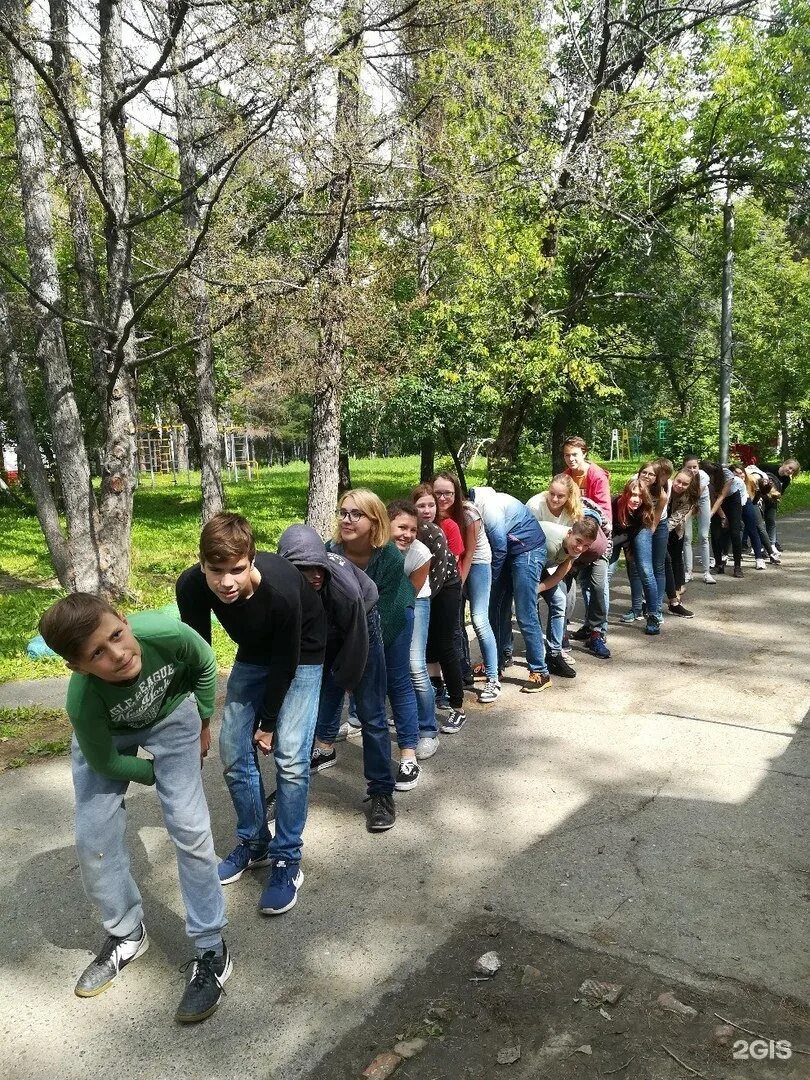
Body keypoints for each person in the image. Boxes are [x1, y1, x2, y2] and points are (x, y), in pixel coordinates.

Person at [38, 594, 229, 1023]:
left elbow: (202, 663)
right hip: (108, 737)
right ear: (78, 666)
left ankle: (211, 946)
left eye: (117, 635)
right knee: (94, 836)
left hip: (172, 713)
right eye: (97, 654)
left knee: (189, 826)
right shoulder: (83, 700)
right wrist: (155, 775)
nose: (119, 654)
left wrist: (201, 720)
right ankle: (126, 933)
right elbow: (105, 761)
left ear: (124, 620)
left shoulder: (164, 632)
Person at [176, 512, 326, 914]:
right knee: (231, 750)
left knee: (291, 757)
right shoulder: (192, 585)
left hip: (301, 654)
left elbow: (286, 660)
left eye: (237, 570)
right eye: (216, 570)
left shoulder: (279, 590)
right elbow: (199, 654)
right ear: (202, 564)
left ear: (252, 561)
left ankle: (287, 858)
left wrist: (269, 723)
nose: (226, 582)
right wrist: (202, 721)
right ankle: (254, 842)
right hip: (252, 654)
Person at [311, 488, 412, 831]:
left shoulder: (389, 559)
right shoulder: (328, 552)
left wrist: (358, 661)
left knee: (372, 716)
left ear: (375, 521)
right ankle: (296, 780)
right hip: (334, 638)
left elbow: (385, 613)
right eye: (343, 512)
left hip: (377, 634)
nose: (347, 519)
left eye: (356, 514)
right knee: (317, 708)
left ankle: (382, 792)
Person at [467, 485, 550, 692]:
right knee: (494, 607)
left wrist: (491, 580)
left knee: (524, 612)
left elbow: (500, 547)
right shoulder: (477, 507)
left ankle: (540, 672)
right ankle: (498, 662)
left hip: (528, 550)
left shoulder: (489, 509)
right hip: (508, 551)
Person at [432, 471, 500, 704]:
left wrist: (457, 584)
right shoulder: (431, 513)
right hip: (450, 564)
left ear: (456, 492)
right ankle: (460, 675)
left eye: (447, 493)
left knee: (479, 619)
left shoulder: (469, 514)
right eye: (438, 492)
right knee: (454, 625)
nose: (442, 498)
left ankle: (493, 678)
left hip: (477, 561)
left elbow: (469, 554)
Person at [411, 483, 468, 731]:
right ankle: (434, 691)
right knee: (429, 645)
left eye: (431, 505)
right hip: (427, 590)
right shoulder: (412, 528)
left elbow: (441, 574)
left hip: (445, 588)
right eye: (421, 505)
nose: (427, 510)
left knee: (445, 646)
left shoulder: (437, 530)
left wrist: (417, 602)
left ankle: (458, 707)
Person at [387, 500, 439, 762]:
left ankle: (428, 729)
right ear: (386, 525)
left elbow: (410, 595)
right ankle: (356, 717)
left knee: (415, 665)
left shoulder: (420, 554)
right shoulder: (374, 547)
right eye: (401, 528)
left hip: (414, 601)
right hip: (383, 601)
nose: (407, 535)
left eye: (413, 530)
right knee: (371, 657)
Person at [563, 437, 613, 658]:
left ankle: (597, 632)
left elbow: (604, 511)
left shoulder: (596, 475)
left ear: (584, 453)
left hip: (596, 539)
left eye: (575, 454)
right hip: (574, 540)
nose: (571, 459)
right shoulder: (565, 476)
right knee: (568, 585)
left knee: (598, 585)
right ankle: (561, 631)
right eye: (567, 455)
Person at [608, 479, 660, 635]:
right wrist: (612, 543)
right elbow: (611, 528)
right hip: (617, 533)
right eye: (632, 495)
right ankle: (596, 619)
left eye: (640, 496)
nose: (636, 499)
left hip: (638, 531)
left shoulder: (645, 509)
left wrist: (623, 545)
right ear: (625, 494)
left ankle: (653, 615)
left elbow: (632, 533)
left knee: (645, 569)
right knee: (607, 570)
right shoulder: (615, 503)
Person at [664, 469, 700, 617]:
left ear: (689, 486)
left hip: (674, 528)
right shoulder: (664, 486)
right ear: (674, 477)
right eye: (678, 481)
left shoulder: (688, 498)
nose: (679, 485)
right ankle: (671, 597)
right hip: (656, 527)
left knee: (676, 559)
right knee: (664, 561)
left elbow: (675, 518)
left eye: (685, 484)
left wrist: (658, 532)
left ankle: (677, 592)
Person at [708, 462, 745, 577]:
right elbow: (713, 499)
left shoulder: (728, 474)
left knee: (734, 532)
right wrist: (722, 516)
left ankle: (737, 566)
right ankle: (718, 564)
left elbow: (721, 497)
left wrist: (709, 515)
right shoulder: (704, 478)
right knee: (715, 532)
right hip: (716, 501)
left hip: (732, 498)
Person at [682, 455, 716, 585]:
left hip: (701, 500)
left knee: (703, 536)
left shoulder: (703, 476)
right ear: (684, 467)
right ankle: (688, 572)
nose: (692, 470)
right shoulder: (681, 477)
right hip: (686, 502)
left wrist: (688, 513)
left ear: (698, 466)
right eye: (689, 467)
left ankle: (706, 572)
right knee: (687, 537)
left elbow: (695, 497)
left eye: (694, 467)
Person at [758, 458, 800, 549]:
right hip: (759, 497)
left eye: (793, 470)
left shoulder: (786, 480)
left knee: (771, 520)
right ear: (784, 464)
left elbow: (780, 492)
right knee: (758, 522)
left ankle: (772, 544)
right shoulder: (768, 467)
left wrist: (777, 498)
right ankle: (755, 545)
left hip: (772, 500)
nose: (790, 471)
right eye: (789, 467)